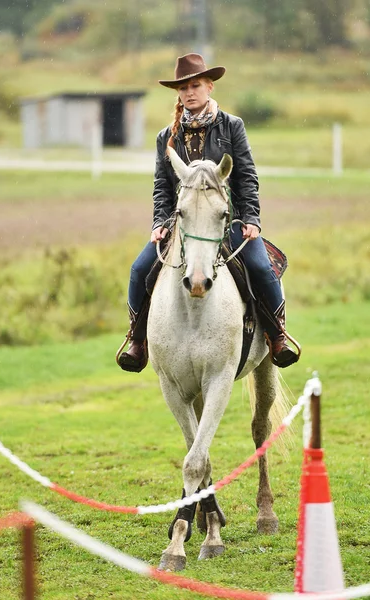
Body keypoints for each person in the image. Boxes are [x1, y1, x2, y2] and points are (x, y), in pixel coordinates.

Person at [117, 53, 300, 373]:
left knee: (259, 266)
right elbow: (162, 185)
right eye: (184, 87)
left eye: (196, 85)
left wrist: (252, 219)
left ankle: (277, 336)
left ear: (209, 87)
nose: (190, 92)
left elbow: (246, 177)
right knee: (138, 270)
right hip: (183, 223)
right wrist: (160, 222)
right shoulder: (167, 137)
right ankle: (137, 340)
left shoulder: (232, 126)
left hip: (228, 219)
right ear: (178, 93)